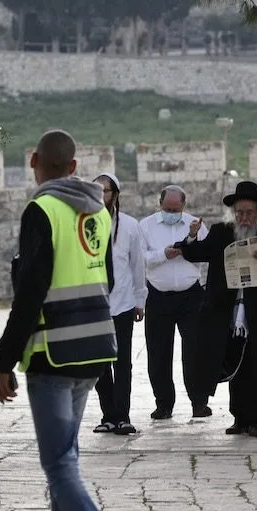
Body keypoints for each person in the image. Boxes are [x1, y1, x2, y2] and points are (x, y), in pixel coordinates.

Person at [0, 129, 130, 511]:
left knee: (58, 463)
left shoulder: (42, 210)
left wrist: (4, 360)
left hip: (53, 351)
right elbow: (108, 278)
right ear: (74, 167)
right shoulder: (99, 212)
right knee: (65, 461)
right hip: (94, 347)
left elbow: (30, 291)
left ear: (35, 162)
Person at [177, 181, 257, 438]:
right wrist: (191, 236)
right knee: (235, 366)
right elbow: (196, 253)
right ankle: (239, 418)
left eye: (249, 212)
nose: (244, 217)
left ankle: (256, 419)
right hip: (227, 312)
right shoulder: (221, 232)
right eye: (239, 212)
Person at [140, 185, 209, 420]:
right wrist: (163, 254)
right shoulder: (146, 226)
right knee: (158, 353)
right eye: (167, 209)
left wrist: (190, 242)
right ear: (160, 205)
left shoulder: (196, 225)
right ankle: (163, 404)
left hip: (190, 294)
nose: (171, 212)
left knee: (196, 351)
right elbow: (140, 259)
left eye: (175, 209)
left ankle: (199, 402)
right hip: (158, 295)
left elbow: (207, 253)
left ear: (184, 206)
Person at [91, 173, 146, 435]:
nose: (101, 196)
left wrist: (140, 300)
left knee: (122, 362)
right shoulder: (84, 225)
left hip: (122, 302)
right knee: (99, 364)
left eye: (105, 191)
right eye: (96, 190)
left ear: (115, 194)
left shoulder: (130, 226)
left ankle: (123, 415)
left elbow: (137, 265)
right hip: (94, 305)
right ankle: (108, 415)